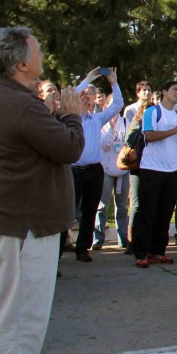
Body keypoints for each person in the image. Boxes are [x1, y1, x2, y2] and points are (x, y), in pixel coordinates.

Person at [0, 26, 84, 354]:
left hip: (12, 222)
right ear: (21, 62)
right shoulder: (19, 103)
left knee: (22, 314)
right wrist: (71, 116)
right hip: (18, 226)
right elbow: (69, 147)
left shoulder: (6, 97)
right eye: (36, 51)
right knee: (19, 316)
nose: (41, 56)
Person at [66, 68, 123, 262]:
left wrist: (113, 83)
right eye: (82, 96)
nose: (85, 99)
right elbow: (71, 95)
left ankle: (83, 248)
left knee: (90, 210)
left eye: (88, 96)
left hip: (94, 170)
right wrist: (88, 78)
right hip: (74, 170)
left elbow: (117, 104)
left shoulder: (96, 118)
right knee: (67, 212)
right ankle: (57, 251)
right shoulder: (70, 118)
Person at [132, 80, 177, 268]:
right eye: (174, 90)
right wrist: (174, 131)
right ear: (164, 92)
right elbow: (149, 135)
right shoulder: (153, 112)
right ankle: (141, 252)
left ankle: (158, 251)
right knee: (147, 212)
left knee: (165, 212)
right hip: (152, 169)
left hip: (171, 170)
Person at [97, 92, 129, 251]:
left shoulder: (125, 121)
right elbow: (103, 145)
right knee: (102, 205)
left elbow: (129, 143)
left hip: (123, 170)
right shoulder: (101, 123)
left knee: (122, 206)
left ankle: (123, 237)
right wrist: (110, 129)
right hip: (106, 169)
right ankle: (98, 238)